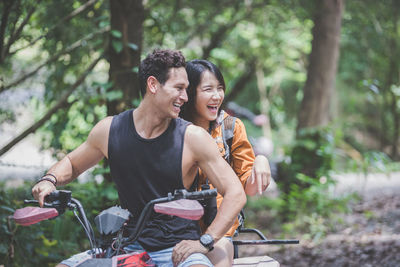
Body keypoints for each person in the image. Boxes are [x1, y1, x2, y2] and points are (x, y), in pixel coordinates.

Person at [31, 50, 246, 267]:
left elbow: (235, 194)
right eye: (179, 88)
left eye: (187, 89)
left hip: (178, 250)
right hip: (125, 245)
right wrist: (49, 179)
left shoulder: (193, 137)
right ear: (153, 85)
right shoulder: (109, 130)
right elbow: (72, 163)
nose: (185, 97)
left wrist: (205, 241)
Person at [180, 59, 271, 267]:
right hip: (177, 232)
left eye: (220, 88)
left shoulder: (230, 128)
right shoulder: (174, 129)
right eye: (208, 89)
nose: (217, 96)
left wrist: (261, 161)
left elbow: (249, 188)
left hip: (219, 234)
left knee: (219, 254)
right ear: (190, 92)